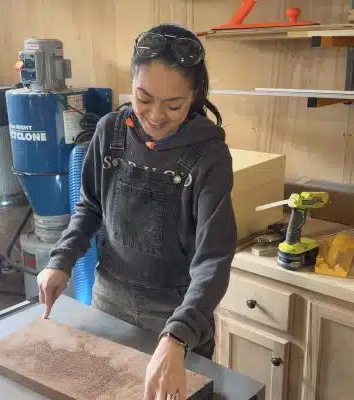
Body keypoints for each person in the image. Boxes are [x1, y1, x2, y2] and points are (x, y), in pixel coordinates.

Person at [37, 22, 237, 400]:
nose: (156, 116)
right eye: (144, 98)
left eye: (173, 105)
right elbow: (90, 207)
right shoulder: (110, 132)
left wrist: (178, 336)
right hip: (108, 300)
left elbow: (213, 259)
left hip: (176, 314)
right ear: (131, 84)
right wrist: (60, 260)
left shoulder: (209, 157)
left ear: (194, 96)